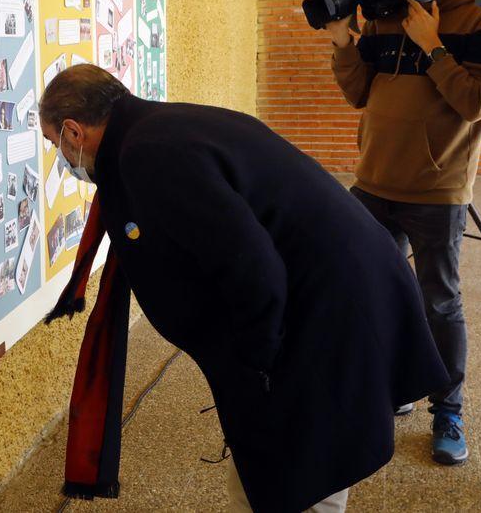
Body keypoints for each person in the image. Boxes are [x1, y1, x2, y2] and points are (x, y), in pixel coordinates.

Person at [39, 64, 450, 512]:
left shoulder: (147, 153)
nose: (60, 155)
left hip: (325, 304)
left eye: (53, 142)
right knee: (283, 473)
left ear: (74, 131)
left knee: (303, 476)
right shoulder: (160, 126)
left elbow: (250, 263)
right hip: (332, 284)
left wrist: (259, 368)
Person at [325, 0, 481, 466]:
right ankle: (397, 384)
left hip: (438, 189)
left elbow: (478, 101)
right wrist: (344, 44)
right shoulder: (386, 10)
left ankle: (448, 411)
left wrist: (434, 47)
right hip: (373, 182)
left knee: (440, 304)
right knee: (377, 293)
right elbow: (359, 92)